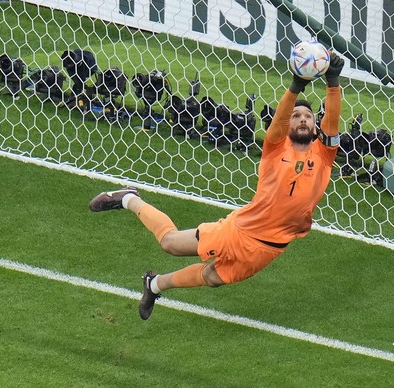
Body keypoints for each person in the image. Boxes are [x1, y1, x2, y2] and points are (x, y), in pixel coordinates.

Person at [89, 51, 345, 320]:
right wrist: (295, 86)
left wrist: (333, 81)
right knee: (170, 244)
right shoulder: (275, 149)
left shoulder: (324, 155)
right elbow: (279, 120)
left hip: (271, 248)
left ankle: (153, 285)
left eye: (307, 116)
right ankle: (128, 198)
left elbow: (332, 122)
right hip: (240, 232)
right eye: (296, 116)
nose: (302, 118)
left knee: (212, 277)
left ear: (315, 126)